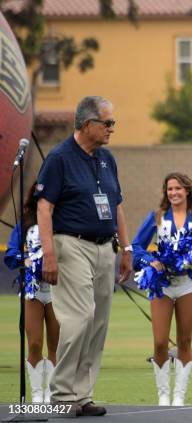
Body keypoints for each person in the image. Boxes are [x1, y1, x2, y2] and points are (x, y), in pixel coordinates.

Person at [36, 96, 132, 416]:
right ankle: (63, 394)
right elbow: (44, 207)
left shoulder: (107, 159)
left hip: (106, 246)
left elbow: (116, 204)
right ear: (87, 124)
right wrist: (48, 254)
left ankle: (82, 394)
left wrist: (127, 247)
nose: (111, 129)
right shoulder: (60, 158)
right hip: (71, 244)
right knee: (79, 318)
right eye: (107, 123)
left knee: (99, 322)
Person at [132, 172, 192, 406]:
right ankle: (163, 394)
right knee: (159, 342)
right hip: (161, 286)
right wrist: (149, 261)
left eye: (178, 189)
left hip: (188, 285)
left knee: (185, 341)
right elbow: (136, 247)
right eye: (169, 189)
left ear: (187, 191)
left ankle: (179, 396)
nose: (173, 193)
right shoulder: (157, 217)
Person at [4, 182, 59, 403]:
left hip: (58, 289)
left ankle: (53, 392)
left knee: (56, 344)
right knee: (34, 343)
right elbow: (10, 253)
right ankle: (37, 394)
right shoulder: (25, 223)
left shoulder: (64, 221)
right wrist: (24, 260)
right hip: (32, 290)